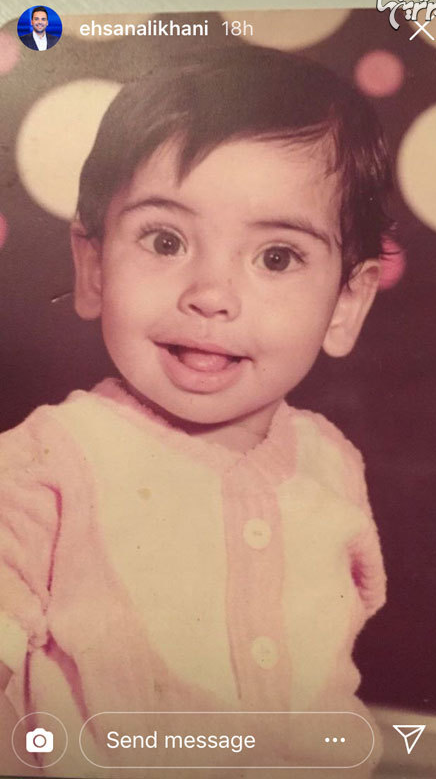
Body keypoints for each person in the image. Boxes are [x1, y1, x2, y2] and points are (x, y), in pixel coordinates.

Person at [0, 46, 389, 777]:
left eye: (276, 257)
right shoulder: (49, 460)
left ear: (347, 303)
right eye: (166, 240)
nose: (211, 294)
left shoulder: (332, 464)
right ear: (93, 266)